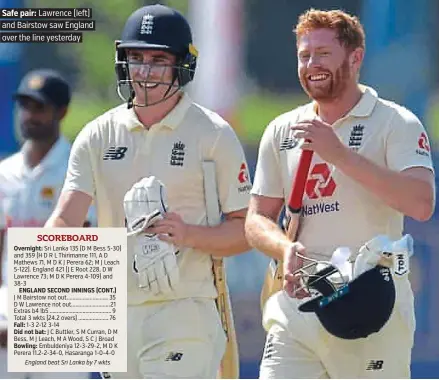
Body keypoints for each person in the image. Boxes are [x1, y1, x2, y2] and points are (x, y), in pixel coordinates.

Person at [45, 4, 251, 379]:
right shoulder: (97, 134)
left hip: (184, 310)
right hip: (117, 315)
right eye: (136, 58)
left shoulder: (213, 134)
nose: (145, 71)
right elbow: (66, 218)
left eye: (158, 60)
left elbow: (246, 229)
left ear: (181, 66)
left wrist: (188, 234)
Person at [245, 8, 435, 379]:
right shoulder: (281, 131)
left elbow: (421, 203)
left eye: (323, 53)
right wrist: (283, 249)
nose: (311, 64)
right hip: (301, 297)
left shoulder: (396, 122)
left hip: (370, 295)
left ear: (356, 57)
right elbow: (257, 218)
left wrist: (340, 155)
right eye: (304, 55)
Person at [0, 69, 95, 378]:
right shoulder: (5, 172)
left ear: (62, 112)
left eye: (39, 107)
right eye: (24, 105)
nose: (29, 114)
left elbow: (85, 259)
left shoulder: (79, 170)